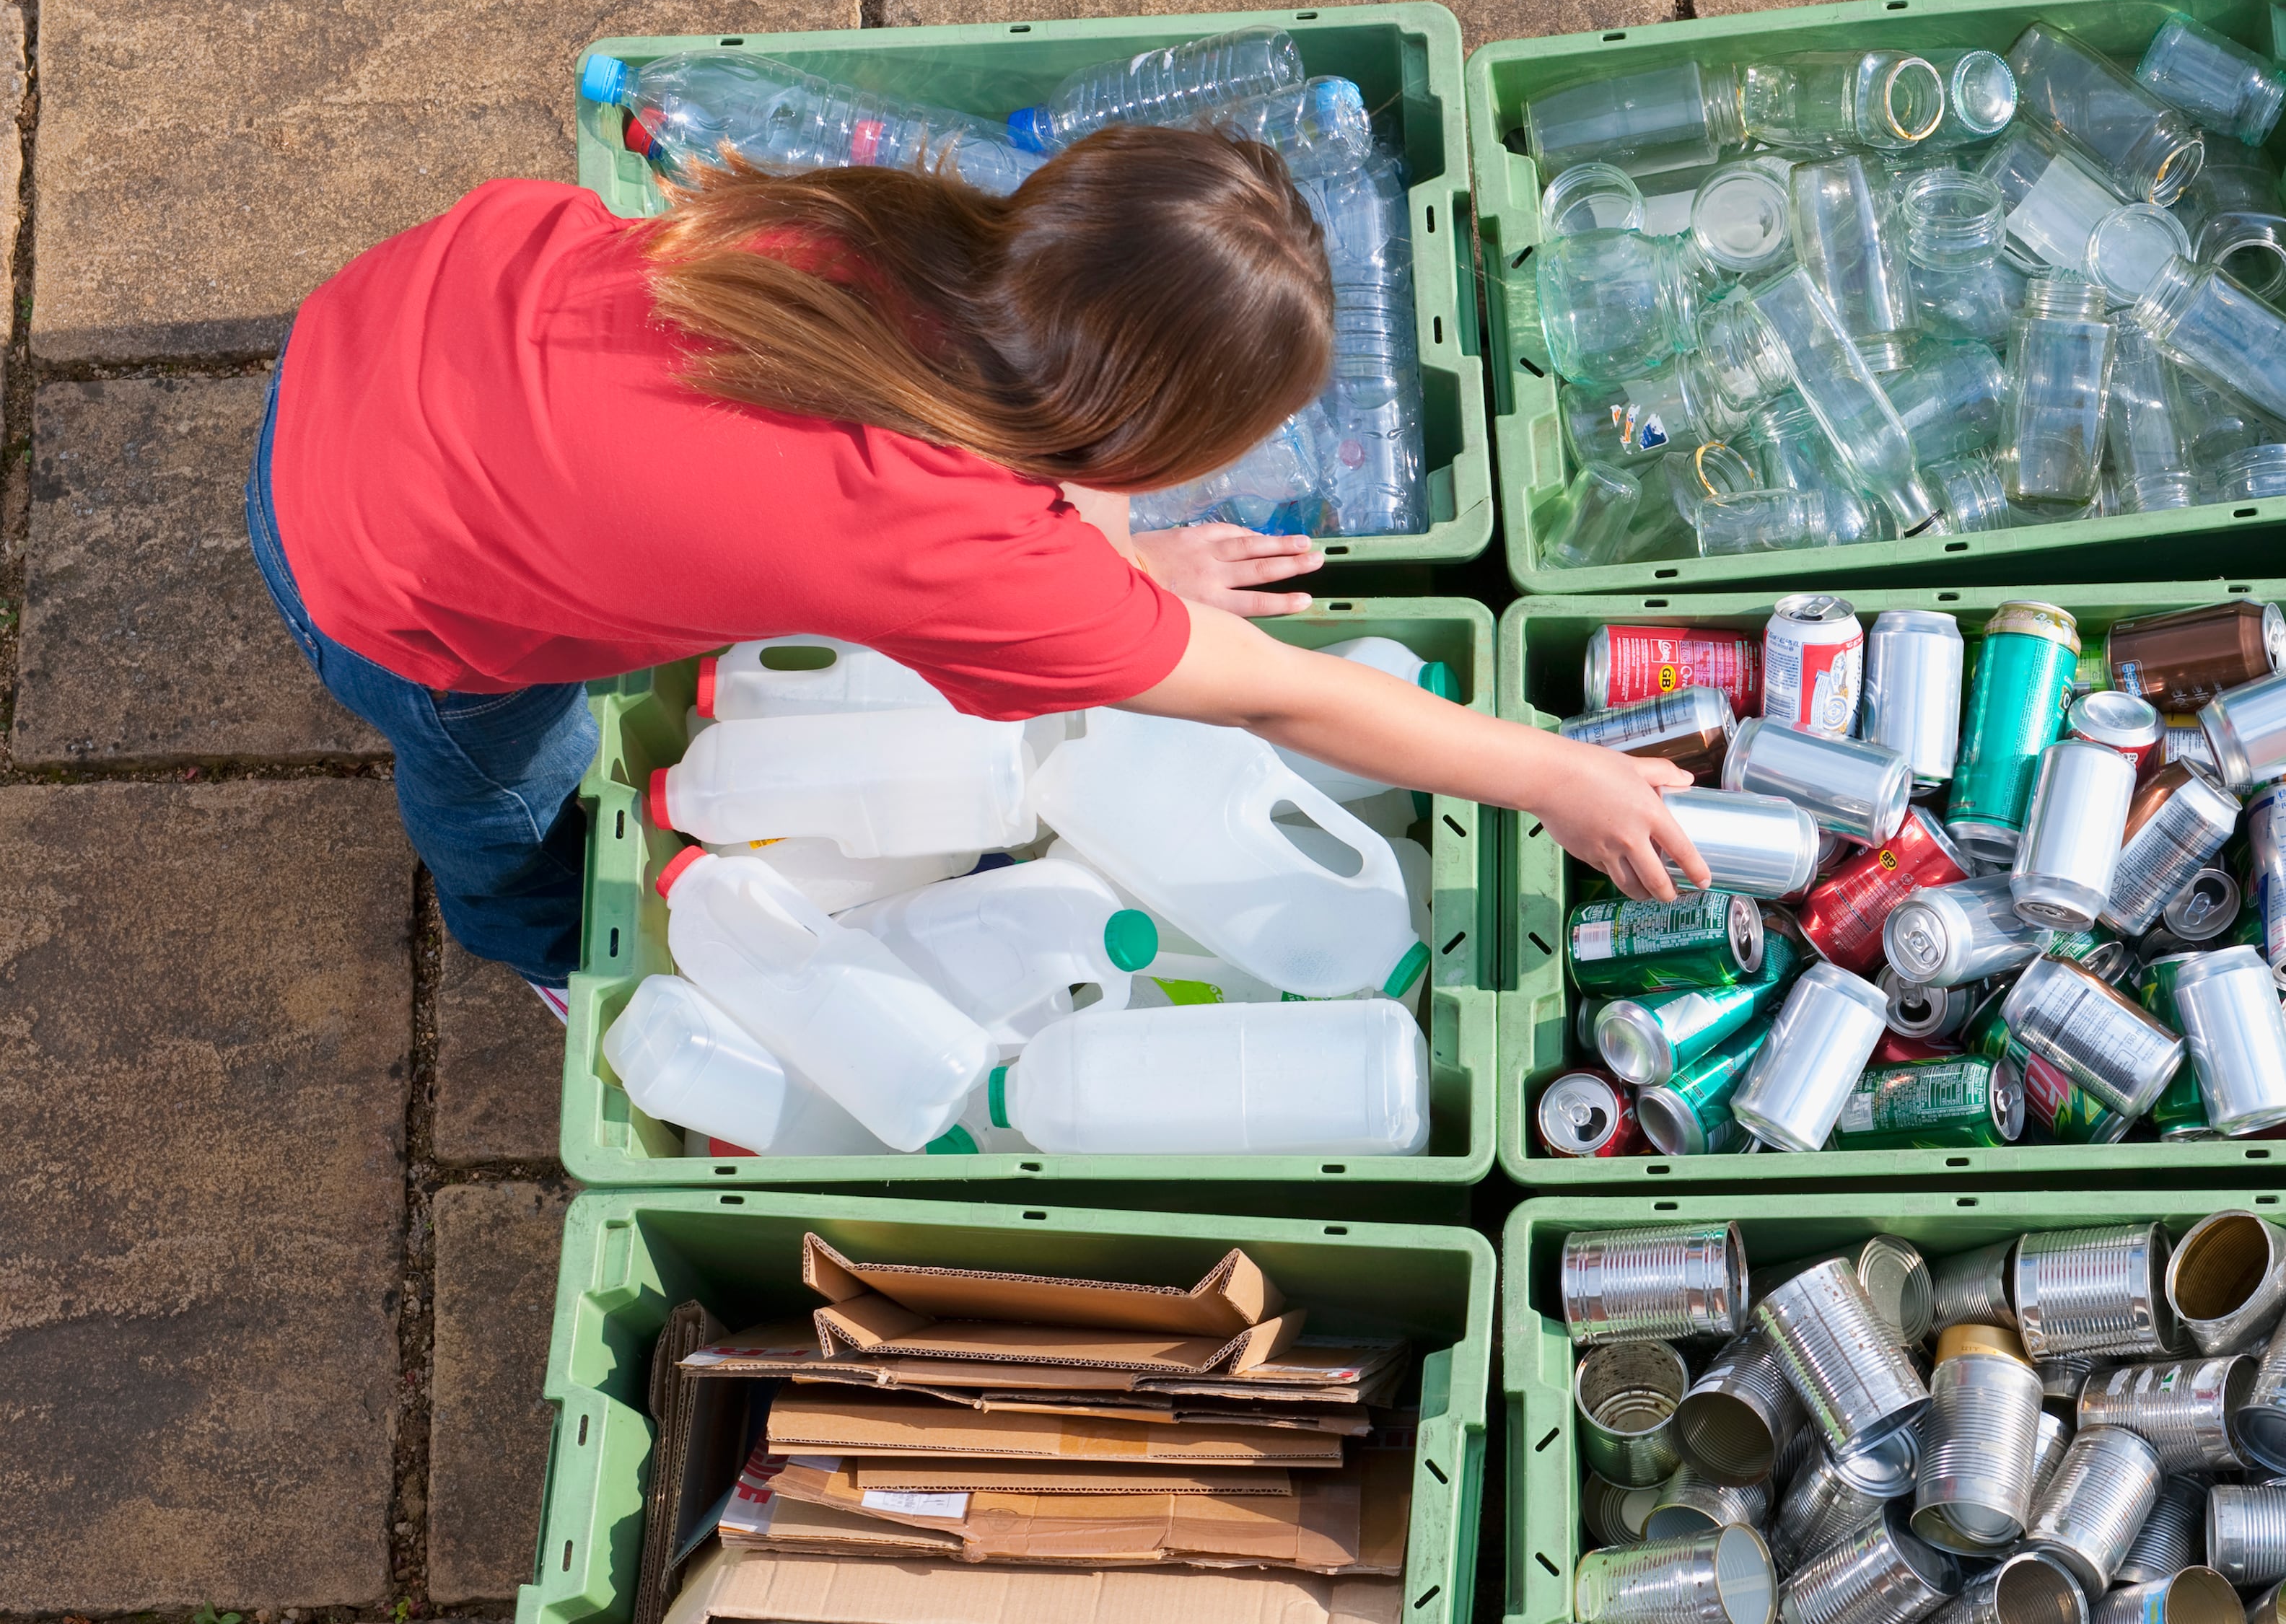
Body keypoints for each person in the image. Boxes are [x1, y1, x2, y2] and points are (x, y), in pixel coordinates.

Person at [252, 125, 1705, 1009]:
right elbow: (1278, 700)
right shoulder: (955, 541)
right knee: (499, 778)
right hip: (382, 568)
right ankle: (533, 944)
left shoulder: (900, 232)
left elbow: (987, 463)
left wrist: (1126, 569)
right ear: (1145, 432)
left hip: (394, 319)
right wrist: (1553, 774)